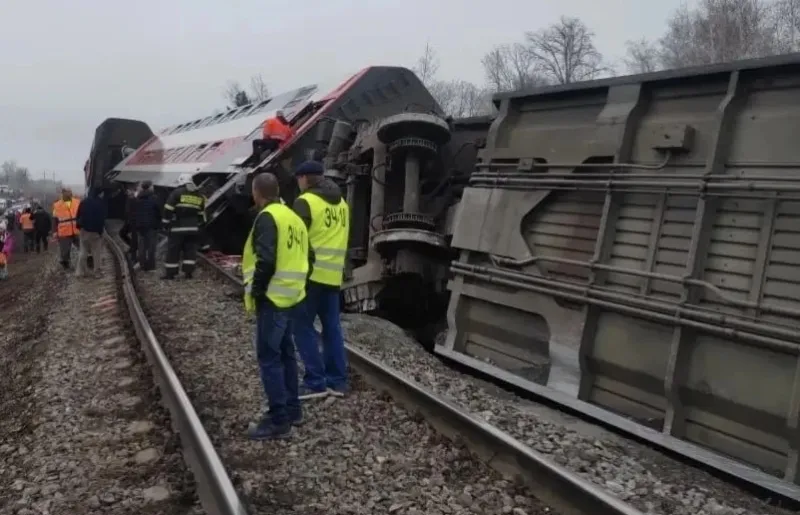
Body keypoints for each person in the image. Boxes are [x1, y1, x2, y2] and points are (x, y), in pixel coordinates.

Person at [242, 172, 312, 440]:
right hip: (292, 296)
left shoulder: (268, 217)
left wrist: (258, 291)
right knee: (286, 354)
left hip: (272, 299)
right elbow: (310, 257)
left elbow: (266, 260)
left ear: (257, 192)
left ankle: (278, 420)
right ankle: (294, 410)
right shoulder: (293, 218)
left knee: (269, 358)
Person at [291, 160, 350, 399]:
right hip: (333, 276)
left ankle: (315, 381)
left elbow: (296, 241)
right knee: (332, 329)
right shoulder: (343, 204)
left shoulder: (305, 202)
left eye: (298, 179)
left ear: (304, 178)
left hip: (310, 276)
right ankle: (338, 381)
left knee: (301, 326)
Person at [161, 173, 206, 280]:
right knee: (190, 251)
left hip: (177, 228)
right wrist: (197, 226)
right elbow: (202, 215)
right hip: (193, 229)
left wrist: (165, 223)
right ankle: (188, 274)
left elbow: (168, 209)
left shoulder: (177, 193)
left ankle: (170, 274)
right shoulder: (199, 196)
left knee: (173, 251)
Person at [74, 189, 108, 278]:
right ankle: (97, 273)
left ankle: (80, 272)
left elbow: (77, 216)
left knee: (83, 251)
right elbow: (102, 218)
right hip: (95, 232)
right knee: (96, 252)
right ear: (99, 194)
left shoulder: (83, 202)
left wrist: (79, 227)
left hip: (84, 230)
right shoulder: (100, 203)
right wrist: (100, 231)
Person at [130, 180, 161, 271]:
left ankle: (142, 265)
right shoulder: (154, 199)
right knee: (151, 247)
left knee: (142, 247)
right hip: (151, 227)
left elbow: (134, 213)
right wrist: (158, 223)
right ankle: (151, 265)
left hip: (140, 226)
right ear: (150, 187)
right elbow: (158, 213)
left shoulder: (138, 199)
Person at [52, 188, 81, 269]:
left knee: (83, 247)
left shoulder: (77, 202)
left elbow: (82, 214)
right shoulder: (57, 205)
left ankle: (88, 260)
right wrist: (54, 231)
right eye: (66, 192)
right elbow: (54, 219)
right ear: (63, 194)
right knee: (65, 251)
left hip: (77, 229)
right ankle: (65, 264)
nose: (68, 194)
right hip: (64, 232)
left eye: (69, 192)